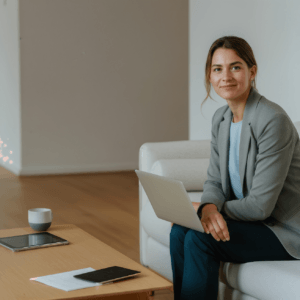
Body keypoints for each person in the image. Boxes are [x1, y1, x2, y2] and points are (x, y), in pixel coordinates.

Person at [169, 36, 300, 300]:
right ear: (209, 75)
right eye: (217, 69)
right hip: (252, 222)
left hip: (283, 230)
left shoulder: (273, 121)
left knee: (200, 239)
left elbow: (260, 206)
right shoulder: (222, 119)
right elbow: (215, 181)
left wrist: (211, 210)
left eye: (235, 67)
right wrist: (208, 207)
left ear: (252, 72)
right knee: (180, 230)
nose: (225, 76)